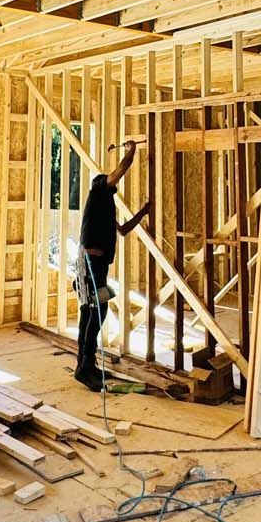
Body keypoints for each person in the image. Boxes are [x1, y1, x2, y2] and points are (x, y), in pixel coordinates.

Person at [74, 139, 151, 389]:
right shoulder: (98, 191)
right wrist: (131, 153)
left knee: (93, 310)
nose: (113, 185)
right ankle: (85, 367)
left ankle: (86, 365)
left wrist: (144, 211)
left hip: (97, 265)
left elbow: (124, 230)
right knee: (97, 310)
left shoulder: (105, 207)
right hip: (89, 263)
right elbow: (119, 171)